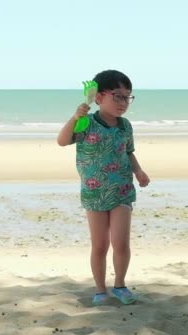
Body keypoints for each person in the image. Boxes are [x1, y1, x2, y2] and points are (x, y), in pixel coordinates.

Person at [56, 70, 150, 306]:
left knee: (121, 243)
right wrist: (76, 117)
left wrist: (138, 171)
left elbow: (128, 152)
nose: (123, 103)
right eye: (117, 96)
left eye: (127, 97)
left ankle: (120, 285)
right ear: (98, 97)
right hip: (94, 192)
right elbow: (63, 140)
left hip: (121, 190)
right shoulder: (87, 123)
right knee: (100, 245)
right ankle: (100, 289)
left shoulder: (125, 126)